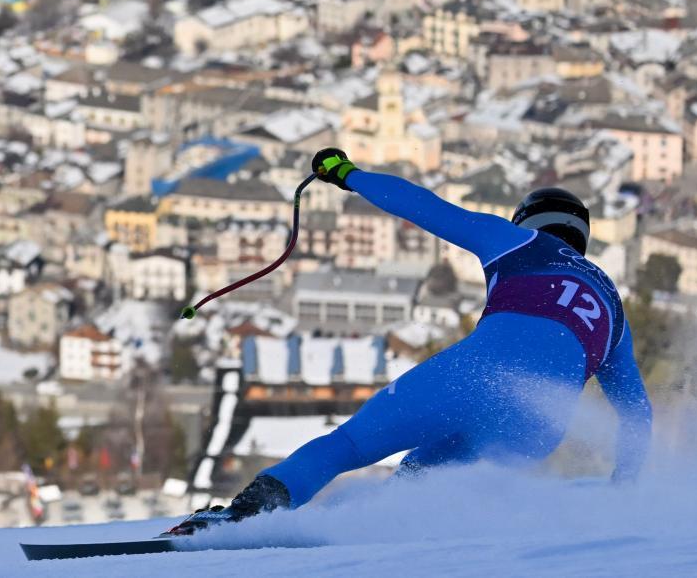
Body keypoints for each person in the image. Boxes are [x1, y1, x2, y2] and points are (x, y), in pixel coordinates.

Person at [166, 148, 652, 536]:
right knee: (424, 482)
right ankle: (399, 533)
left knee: (349, 444)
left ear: (526, 220)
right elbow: (636, 413)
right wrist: (625, 489)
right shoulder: (613, 308)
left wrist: (346, 173)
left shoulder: (518, 242)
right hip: (536, 428)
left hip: (476, 376)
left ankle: (247, 515)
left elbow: (422, 206)